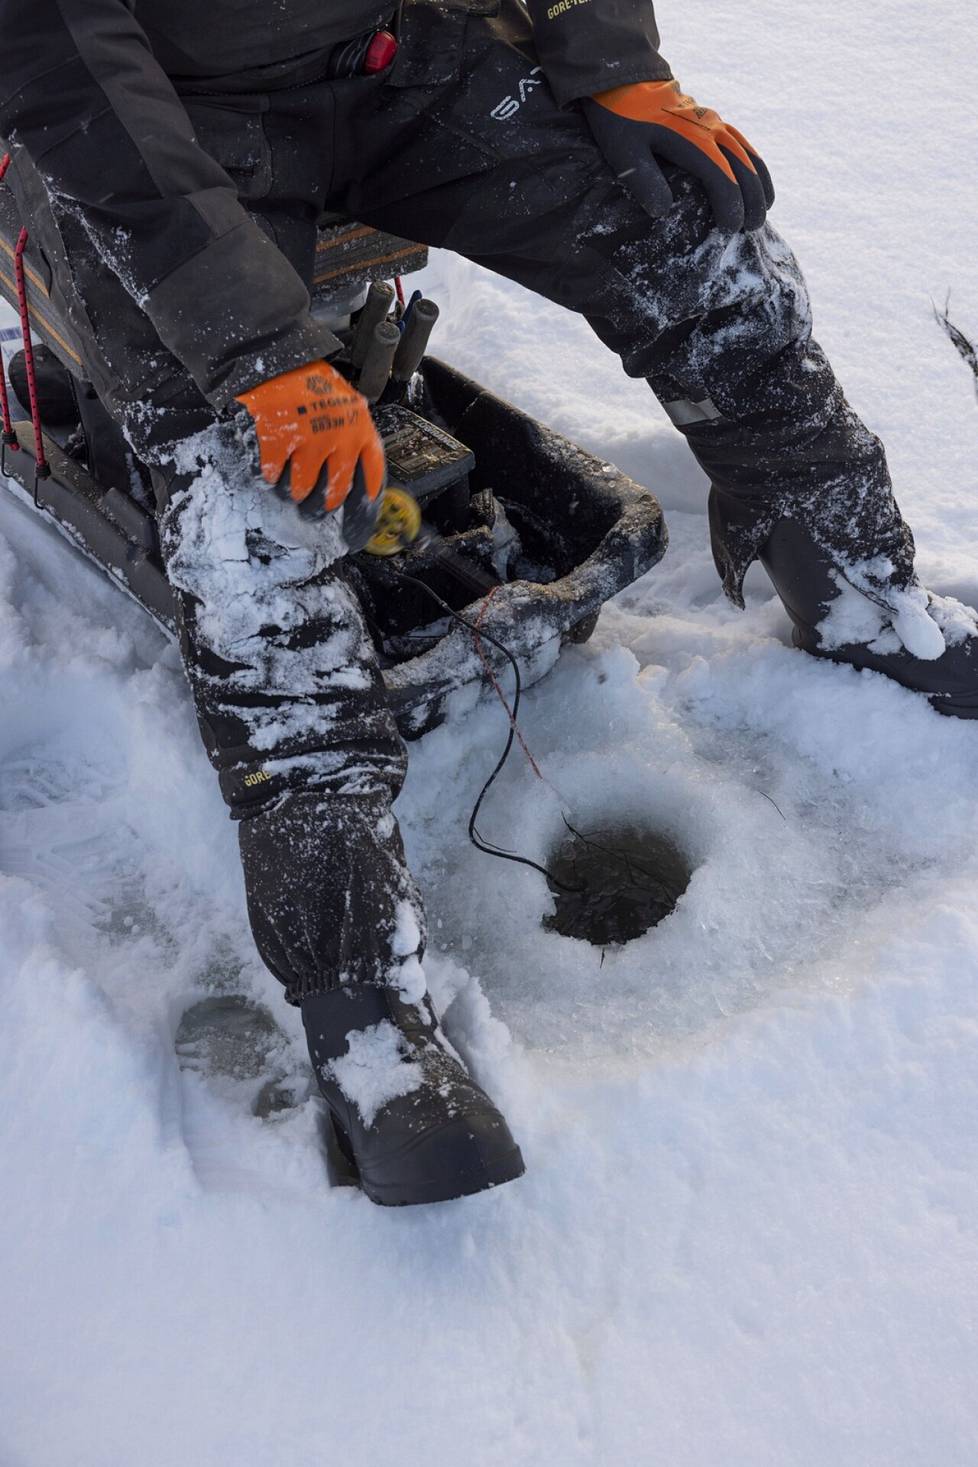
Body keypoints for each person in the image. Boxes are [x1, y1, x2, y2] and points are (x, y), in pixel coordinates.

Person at [1, 0, 975, 1207]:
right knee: (256, 497)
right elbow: (62, 53)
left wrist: (615, 64)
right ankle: (360, 1002)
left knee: (697, 239)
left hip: (398, 53)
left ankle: (861, 599)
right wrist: (257, 348)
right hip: (150, 132)